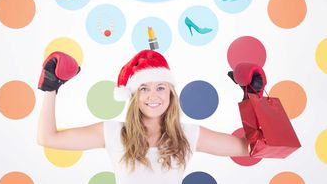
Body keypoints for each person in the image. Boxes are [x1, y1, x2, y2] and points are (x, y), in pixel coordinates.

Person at [37, 50, 265, 184]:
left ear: (171, 93)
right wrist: (51, 88)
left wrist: (252, 98)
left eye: (161, 88)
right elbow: (48, 138)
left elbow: (253, 148)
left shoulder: (188, 135)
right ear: (134, 95)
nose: (153, 96)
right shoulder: (113, 132)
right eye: (144, 88)